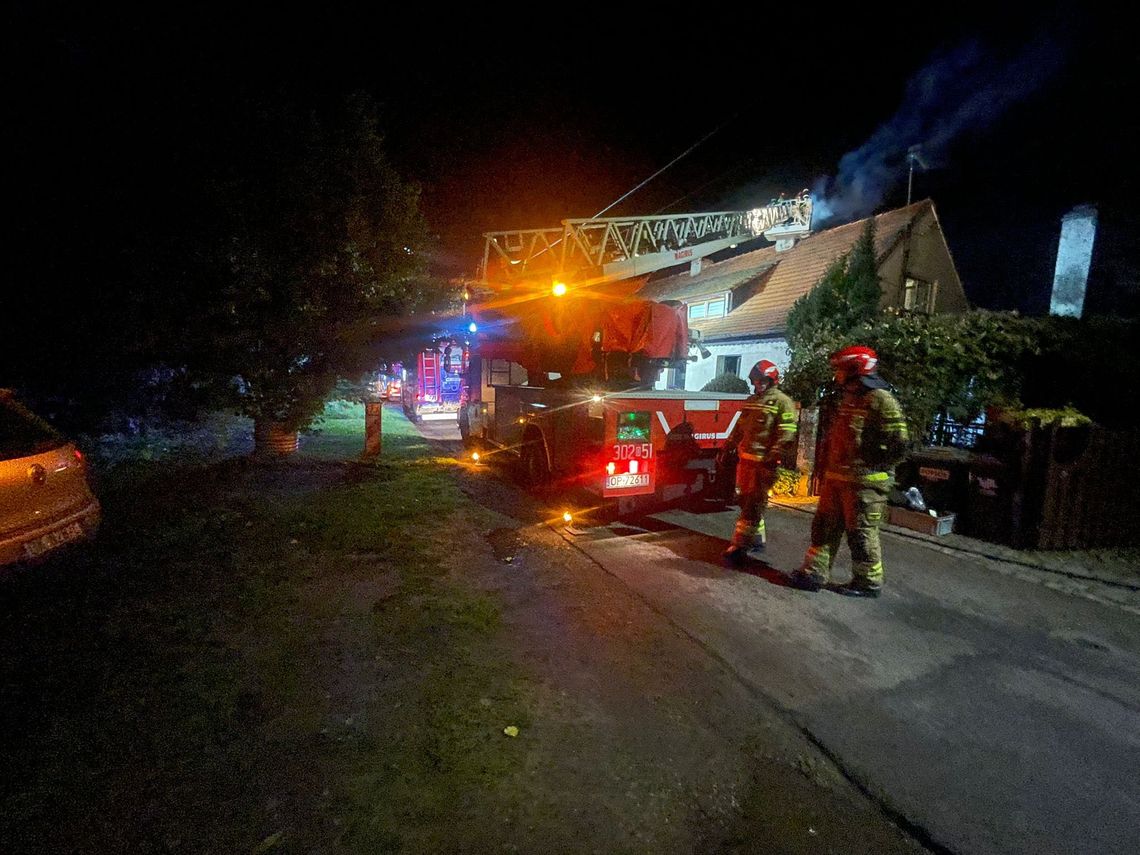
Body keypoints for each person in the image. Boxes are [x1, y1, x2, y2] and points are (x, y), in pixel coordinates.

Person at [790, 345, 909, 597]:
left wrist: (874, 465)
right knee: (823, 527)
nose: (837, 375)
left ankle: (868, 583)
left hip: (865, 484)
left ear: (856, 369)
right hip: (838, 478)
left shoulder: (881, 400)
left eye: (841, 369)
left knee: (861, 534)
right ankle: (814, 574)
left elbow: (900, 442)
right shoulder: (849, 397)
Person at [722, 360, 799, 564]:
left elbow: (787, 433)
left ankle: (740, 546)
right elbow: (740, 427)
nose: (758, 384)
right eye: (755, 381)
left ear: (771, 380)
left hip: (763, 464)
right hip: (745, 462)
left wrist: (774, 456)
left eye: (762, 380)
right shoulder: (752, 400)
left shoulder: (782, 402)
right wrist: (728, 445)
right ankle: (756, 539)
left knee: (753, 504)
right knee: (746, 501)